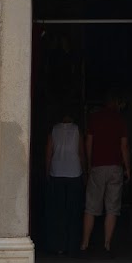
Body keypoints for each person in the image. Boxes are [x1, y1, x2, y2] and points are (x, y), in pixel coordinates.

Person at [80, 91, 130, 254]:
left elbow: (89, 143)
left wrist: (88, 164)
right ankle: (107, 244)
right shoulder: (119, 120)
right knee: (112, 208)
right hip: (115, 167)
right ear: (116, 103)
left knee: (91, 207)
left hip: (97, 166)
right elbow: (124, 146)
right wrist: (127, 168)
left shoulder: (94, 119)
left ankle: (85, 244)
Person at [45, 109, 85, 255]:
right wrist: (85, 173)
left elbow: (48, 155)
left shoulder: (54, 130)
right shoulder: (77, 130)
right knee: (73, 212)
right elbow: (81, 153)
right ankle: (72, 245)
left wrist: (47, 172)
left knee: (58, 211)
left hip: (57, 173)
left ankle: (59, 245)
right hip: (74, 173)